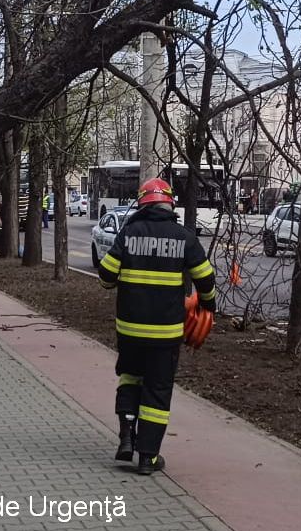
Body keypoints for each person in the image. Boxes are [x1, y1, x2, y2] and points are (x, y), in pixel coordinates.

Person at [97, 177, 216, 476]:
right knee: (157, 392)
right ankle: (148, 457)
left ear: (143, 204)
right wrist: (208, 306)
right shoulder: (184, 236)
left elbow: (106, 276)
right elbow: (205, 278)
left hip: (130, 330)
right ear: (169, 203)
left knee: (129, 377)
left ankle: (126, 435)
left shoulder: (129, 233)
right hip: (166, 333)